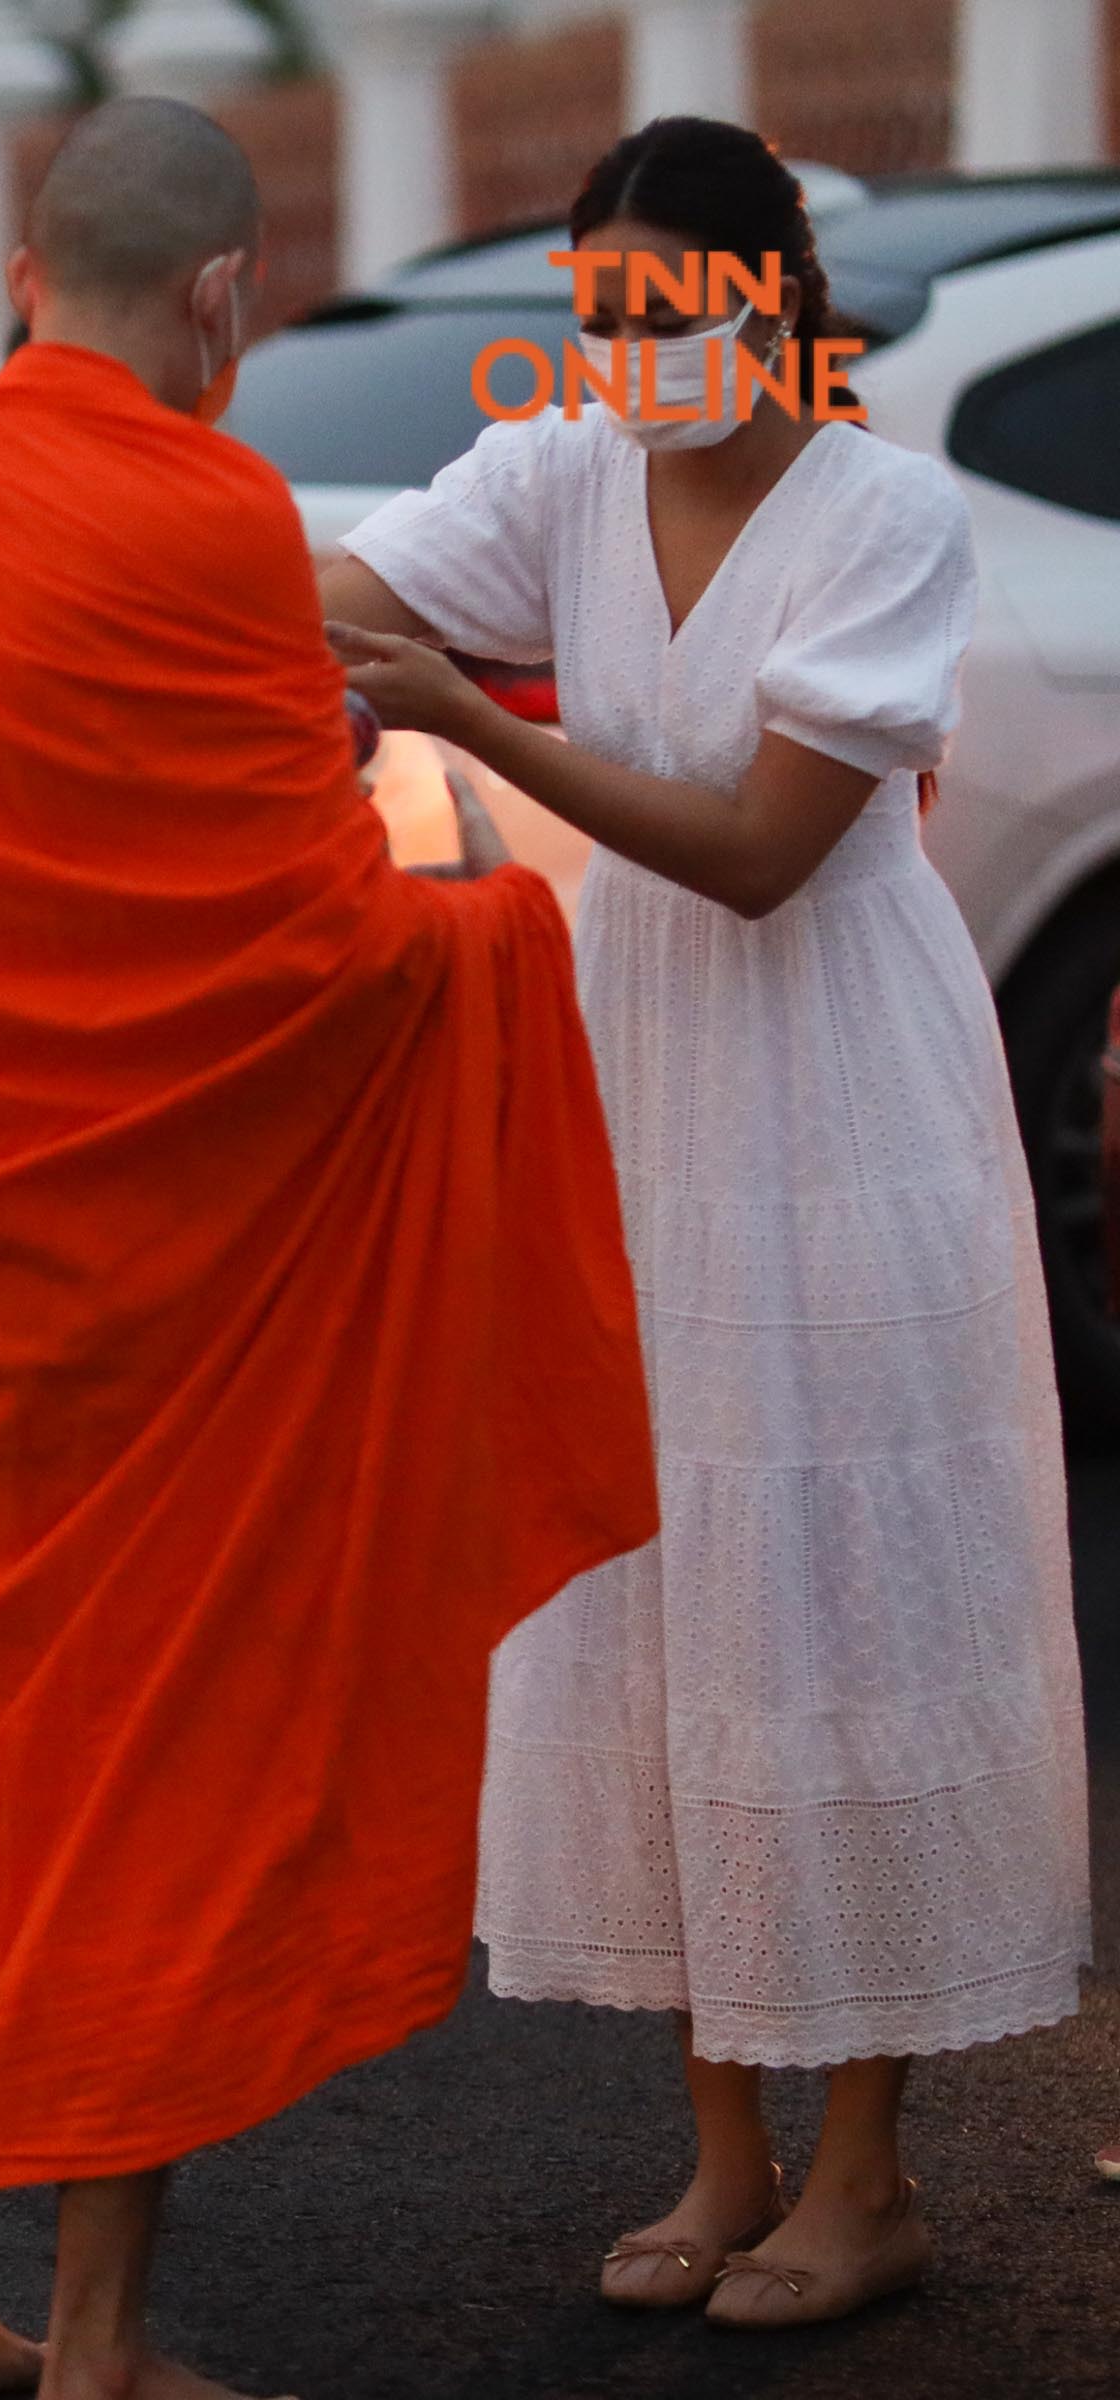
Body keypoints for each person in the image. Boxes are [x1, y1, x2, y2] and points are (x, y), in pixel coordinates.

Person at [0, 98, 659, 2398]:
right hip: (162, 1273)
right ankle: (97, 2334)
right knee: (142, 1769)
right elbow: (317, 946)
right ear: (230, 298)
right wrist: (492, 944)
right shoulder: (215, 520)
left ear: (30, 268)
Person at [323, 114, 1091, 2328]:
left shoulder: (891, 514)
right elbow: (349, 590)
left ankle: (871, 2175)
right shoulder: (559, 476)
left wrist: (477, 714)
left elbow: (763, 850)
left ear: (772, 291)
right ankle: (726, 2153)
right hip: (643, 1091)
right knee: (670, 1596)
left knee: (834, 1599)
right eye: (597, 307)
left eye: (665, 301)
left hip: (840, 1091)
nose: (627, 343)